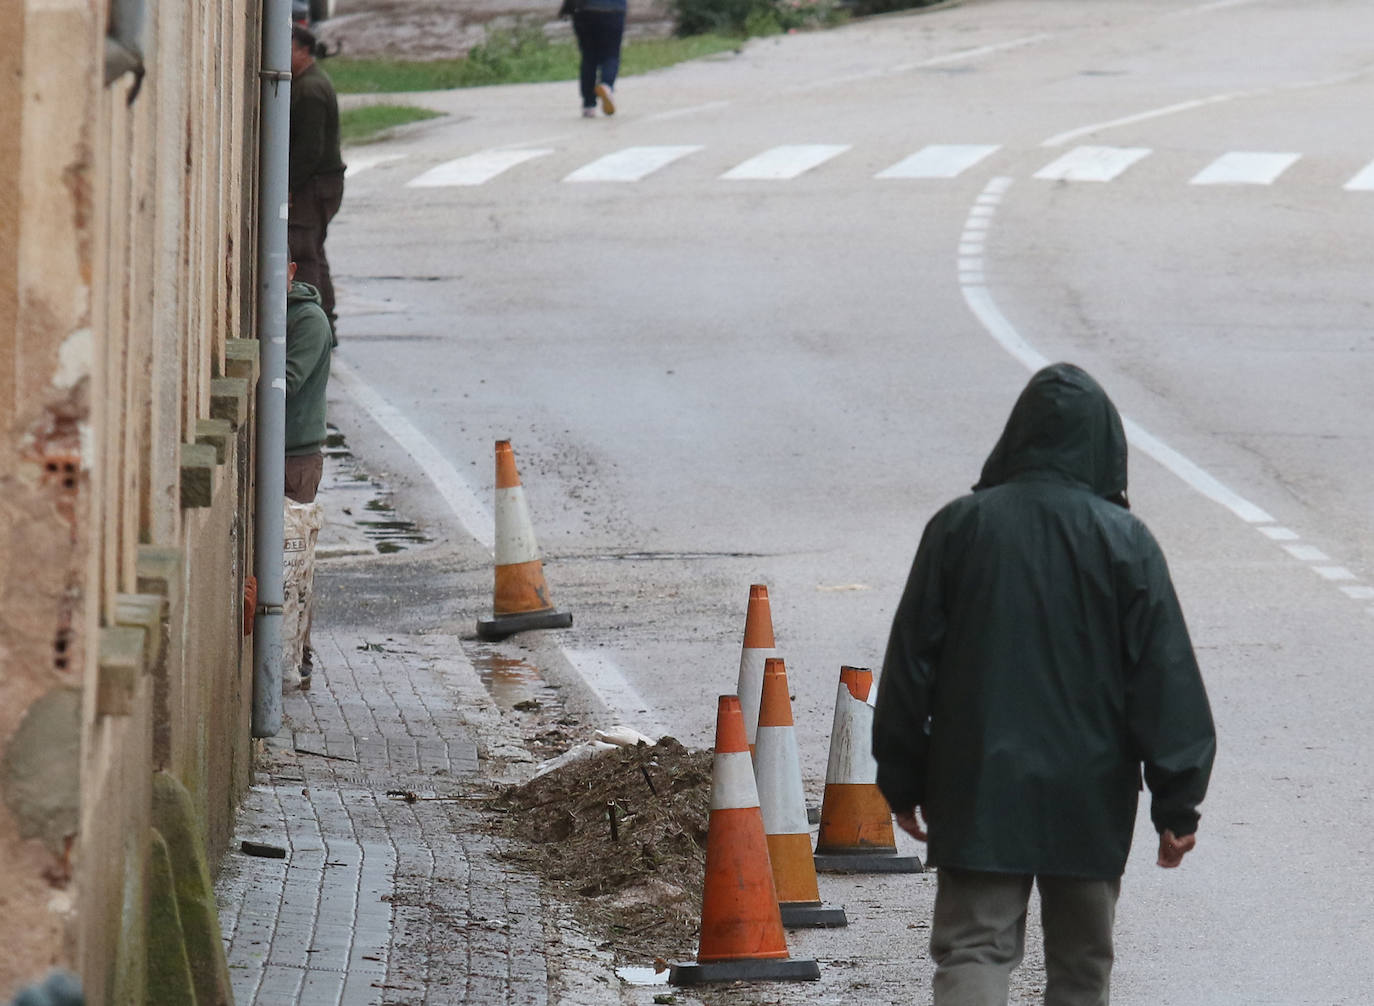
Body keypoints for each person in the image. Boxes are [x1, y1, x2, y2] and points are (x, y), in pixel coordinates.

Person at [873, 362, 1216, 1006]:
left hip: (977, 785)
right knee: (1081, 966)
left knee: (974, 947)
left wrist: (902, 779)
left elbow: (910, 666)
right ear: (1105, 446)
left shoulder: (959, 528)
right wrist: (1178, 800)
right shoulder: (1126, 543)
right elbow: (1164, 679)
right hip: (1088, 792)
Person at [285, 263, 333, 687]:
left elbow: (289, 381)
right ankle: (284, 648)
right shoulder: (272, 312)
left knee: (296, 559)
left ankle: (300, 654)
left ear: (291, 271)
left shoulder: (308, 321)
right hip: (272, 453)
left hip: (296, 459)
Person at [289, 24, 345, 334]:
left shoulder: (309, 88)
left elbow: (309, 149)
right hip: (322, 183)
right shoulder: (308, 82)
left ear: (304, 51)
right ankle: (325, 323)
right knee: (314, 252)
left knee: (303, 253)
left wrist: (288, 186)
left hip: (314, 185)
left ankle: (312, 328)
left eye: (289, 49)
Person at [565, 0, 625, 118]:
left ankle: (588, 105)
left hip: (584, 10)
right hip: (614, 10)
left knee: (588, 57)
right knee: (611, 54)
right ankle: (606, 85)